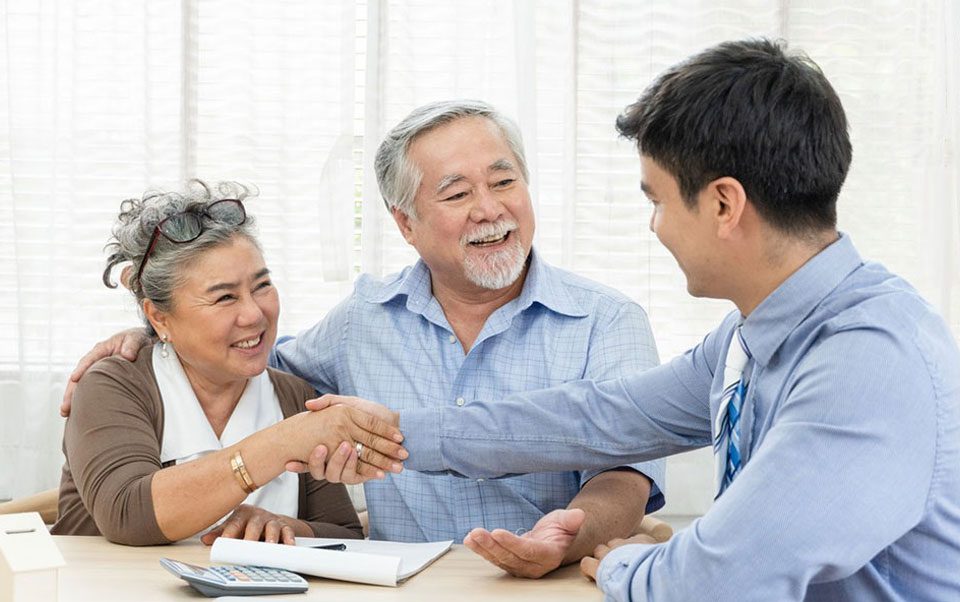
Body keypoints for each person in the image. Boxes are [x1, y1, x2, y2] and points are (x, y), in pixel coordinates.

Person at [320, 40, 960, 600]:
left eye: (656, 200)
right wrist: (402, 432)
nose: (653, 227)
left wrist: (623, 559)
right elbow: (597, 417)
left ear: (723, 204)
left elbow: (714, 580)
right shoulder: (750, 337)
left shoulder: (867, 357)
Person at [61, 102, 667, 578]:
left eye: (504, 182)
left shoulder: (608, 321)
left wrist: (570, 535)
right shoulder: (361, 321)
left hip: (548, 584)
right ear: (405, 223)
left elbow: (627, 474)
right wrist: (149, 336)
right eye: (457, 194)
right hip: (402, 588)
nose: (490, 209)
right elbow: (241, 358)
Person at [51, 181, 406, 546]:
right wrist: (282, 443)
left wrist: (281, 525)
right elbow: (128, 514)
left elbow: (343, 533)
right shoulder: (115, 384)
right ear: (159, 318)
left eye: (262, 286)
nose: (254, 314)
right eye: (224, 297)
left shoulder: (292, 394)